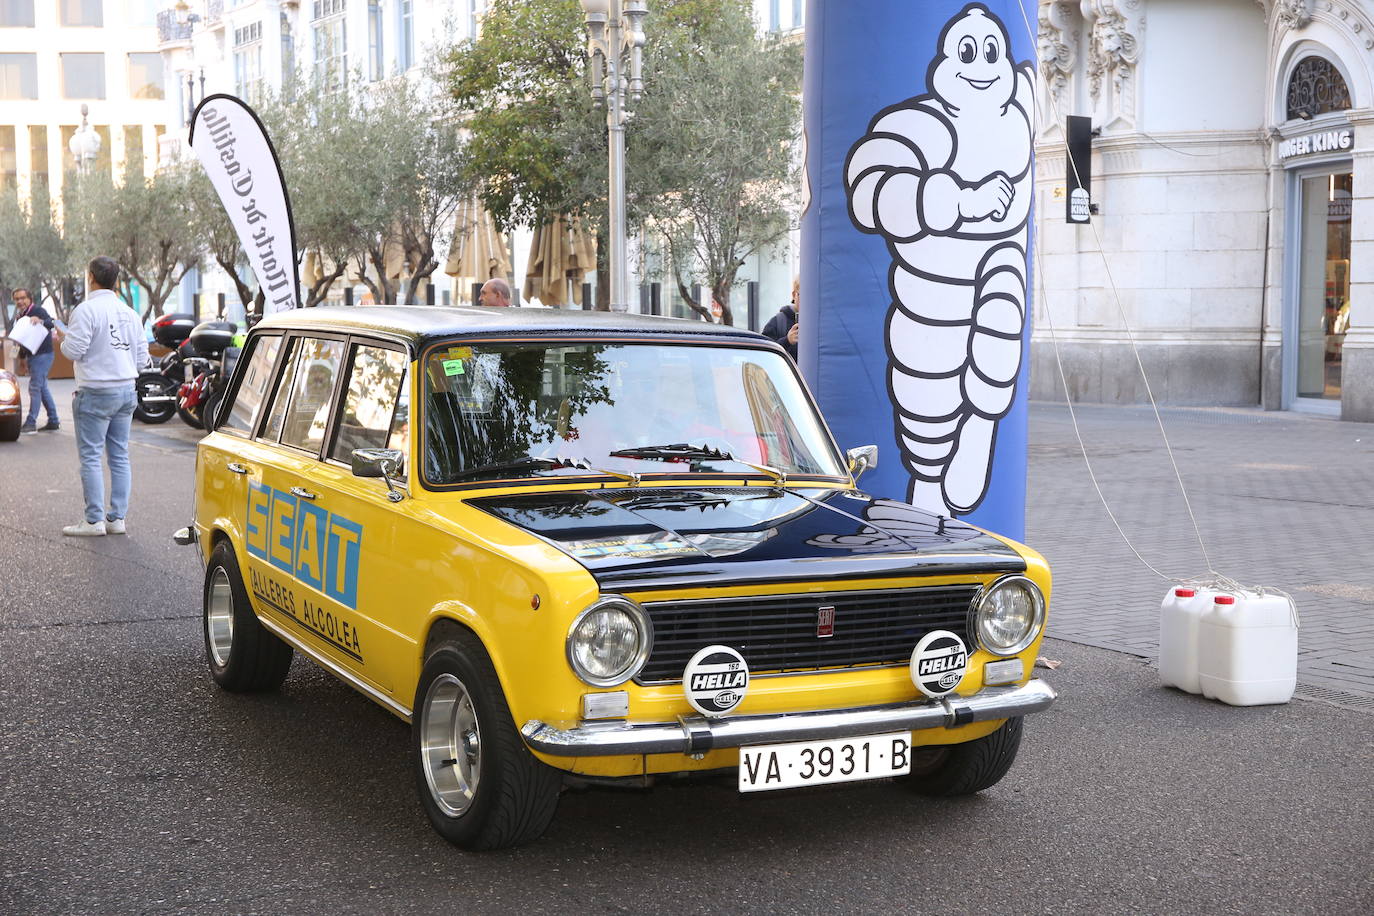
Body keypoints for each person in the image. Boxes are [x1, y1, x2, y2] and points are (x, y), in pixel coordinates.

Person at [54, 256, 147, 537]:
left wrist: (63, 339)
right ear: (116, 281)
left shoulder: (85, 311)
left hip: (95, 391)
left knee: (92, 457)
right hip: (126, 390)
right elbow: (142, 359)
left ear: (91, 277)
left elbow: (73, 351)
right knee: (119, 456)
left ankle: (94, 521)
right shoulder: (129, 313)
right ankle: (116, 519)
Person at [12, 287, 60, 434]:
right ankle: (53, 421)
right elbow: (18, 341)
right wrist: (20, 359)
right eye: (17, 299)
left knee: (34, 387)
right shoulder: (20, 317)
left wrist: (40, 321)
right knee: (42, 388)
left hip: (43, 355)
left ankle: (31, 422)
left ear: (30, 299)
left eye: (23, 298)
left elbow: (52, 323)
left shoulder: (38, 311)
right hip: (32, 356)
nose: (20, 301)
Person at [762, 275, 800, 360]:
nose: (807, 300)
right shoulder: (778, 322)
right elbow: (764, 353)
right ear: (794, 295)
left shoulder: (820, 323)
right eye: (802, 295)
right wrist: (787, 341)